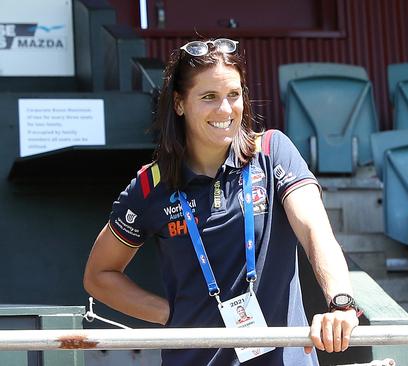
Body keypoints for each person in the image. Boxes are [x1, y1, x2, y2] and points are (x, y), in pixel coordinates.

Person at [83, 38, 359, 365]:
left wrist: (341, 303)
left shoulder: (273, 152)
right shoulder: (150, 185)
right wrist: (170, 314)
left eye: (233, 95)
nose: (225, 110)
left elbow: (315, 231)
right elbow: (99, 275)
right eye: (209, 97)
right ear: (179, 103)